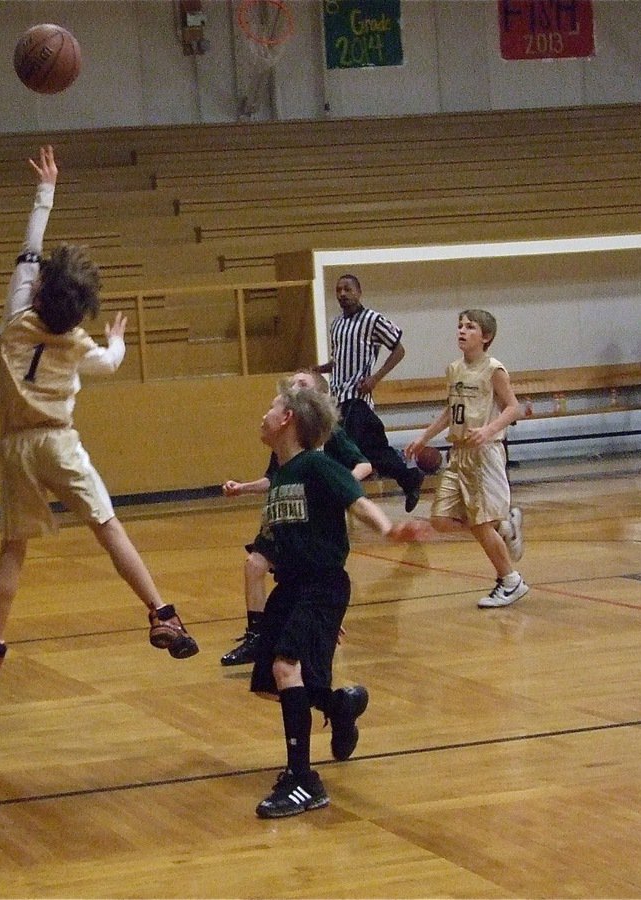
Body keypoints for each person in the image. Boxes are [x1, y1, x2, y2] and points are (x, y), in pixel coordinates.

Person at [0, 146, 199, 697]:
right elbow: (112, 363)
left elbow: (30, 245)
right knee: (107, 526)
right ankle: (161, 612)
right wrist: (117, 339)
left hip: (15, 447)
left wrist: (46, 189)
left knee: (13, 549)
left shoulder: (17, 316)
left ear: (40, 289)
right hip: (59, 444)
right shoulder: (77, 342)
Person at [249, 378, 432, 819]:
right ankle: (339, 704)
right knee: (269, 683)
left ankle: (303, 780)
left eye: (271, 408)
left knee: (285, 667)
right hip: (292, 589)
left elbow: (356, 499)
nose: (264, 415)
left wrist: (388, 530)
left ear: (288, 419)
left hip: (320, 584)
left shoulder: (316, 464)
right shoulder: (282, 476)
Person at [219, 370, 372, 667]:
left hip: (311, 519)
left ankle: (314, 626)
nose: (294, 386)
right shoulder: (283, 440)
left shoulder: (330, 435)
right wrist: (243, 488)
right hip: (284, 513)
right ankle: (256, 637)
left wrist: (339, 488)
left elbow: (364, 465)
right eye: (293, 383)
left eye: (303, 384)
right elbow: (275, 479)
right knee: (254, 566)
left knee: (306, 580)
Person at [405, 309, 527, 609]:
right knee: (441, 519)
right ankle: (505, 526)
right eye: (459, 326)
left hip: (484, 453)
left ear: (485, 337)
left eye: (469, 327)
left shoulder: (494, 369)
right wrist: (424, 436)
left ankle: (511, 582)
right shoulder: (454, 368)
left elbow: (514, 407)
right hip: (458, 453)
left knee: (480, 522)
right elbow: (451, 410)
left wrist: (489, 430)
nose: (461, 331)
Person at [315, 274, 426, 512]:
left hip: (358, 399)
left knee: (343, 450)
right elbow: (340, 360)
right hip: (338, 399)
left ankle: (335, 502)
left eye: (347, 289)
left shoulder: (372, 319)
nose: (342, 294)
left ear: (359, 291)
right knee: (371, 451)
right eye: (338, 290)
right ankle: (409, 477)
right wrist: (320, 369)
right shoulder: (336, 324)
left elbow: (399, 350)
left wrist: (375, 378)